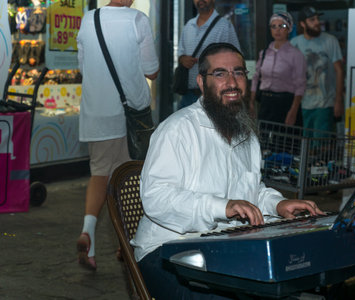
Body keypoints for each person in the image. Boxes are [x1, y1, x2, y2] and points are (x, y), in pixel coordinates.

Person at [131, 43, 324, 299]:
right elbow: (156, 198)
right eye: (220, 73)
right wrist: (222, 206)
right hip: (168, 249)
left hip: (224, 244)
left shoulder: (246, 133)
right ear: (201, 82)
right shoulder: (177, 130)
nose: (232, 82)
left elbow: (252, 191)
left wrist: (278, 204)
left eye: (239, 72)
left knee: (300, 283)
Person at [75, 0, 159, 271]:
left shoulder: (89, 19)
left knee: (100, 174)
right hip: (129, 116)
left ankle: (89, 233)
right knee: (130, 178)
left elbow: (83, 67)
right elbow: (152, 71)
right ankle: (129, 244)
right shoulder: (137, 20)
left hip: (95, 112)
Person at [290, 6, 344, 137]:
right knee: (306, 146)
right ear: (303, 24)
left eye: (317, 19)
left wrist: (338, 100)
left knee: (321, 146)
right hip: (303, 104)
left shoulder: (330, 40)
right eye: (312, 19)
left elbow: (339, 71)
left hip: (324, 103)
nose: (317, 22)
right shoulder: (294, 43)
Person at [176, 0, 241, 110]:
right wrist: (183, 59)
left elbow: (237, 59)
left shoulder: (225, 26)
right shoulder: (188, 26)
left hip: (214, 95)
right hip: (188, 94)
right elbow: (180, 53)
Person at [250, 12, 306, 126]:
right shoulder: (264, 53)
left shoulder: (296, 54)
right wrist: (251, 102)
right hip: (266, 103)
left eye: (282, 26)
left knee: (285, 141)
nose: (277, 30)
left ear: (289, 29)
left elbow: (300, 86)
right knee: (264, 140)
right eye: (274, 26)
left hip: (286, 104)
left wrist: (293, 111)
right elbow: (256, 78)